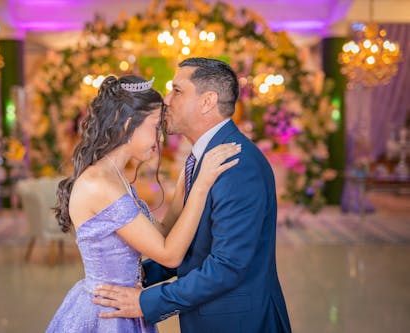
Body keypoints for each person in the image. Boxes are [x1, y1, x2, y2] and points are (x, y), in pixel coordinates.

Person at [93, 58, 292, 333]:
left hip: (238, 322)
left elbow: (227, 266)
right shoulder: (205, 157)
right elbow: (197, 248)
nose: (166, 100)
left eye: (177, 90)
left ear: (207, 101)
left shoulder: (236, 164)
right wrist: (137, 276)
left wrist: (147, 302)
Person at [46, 75, 240, 332]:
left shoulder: (115, 176)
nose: (159, 139)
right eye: (155, 126)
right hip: (107, 314)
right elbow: (169, 255)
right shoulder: (99, 184)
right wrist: (201, 186)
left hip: (125, 305)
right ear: (128, 126)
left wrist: (185, 182)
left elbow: (161, 233)